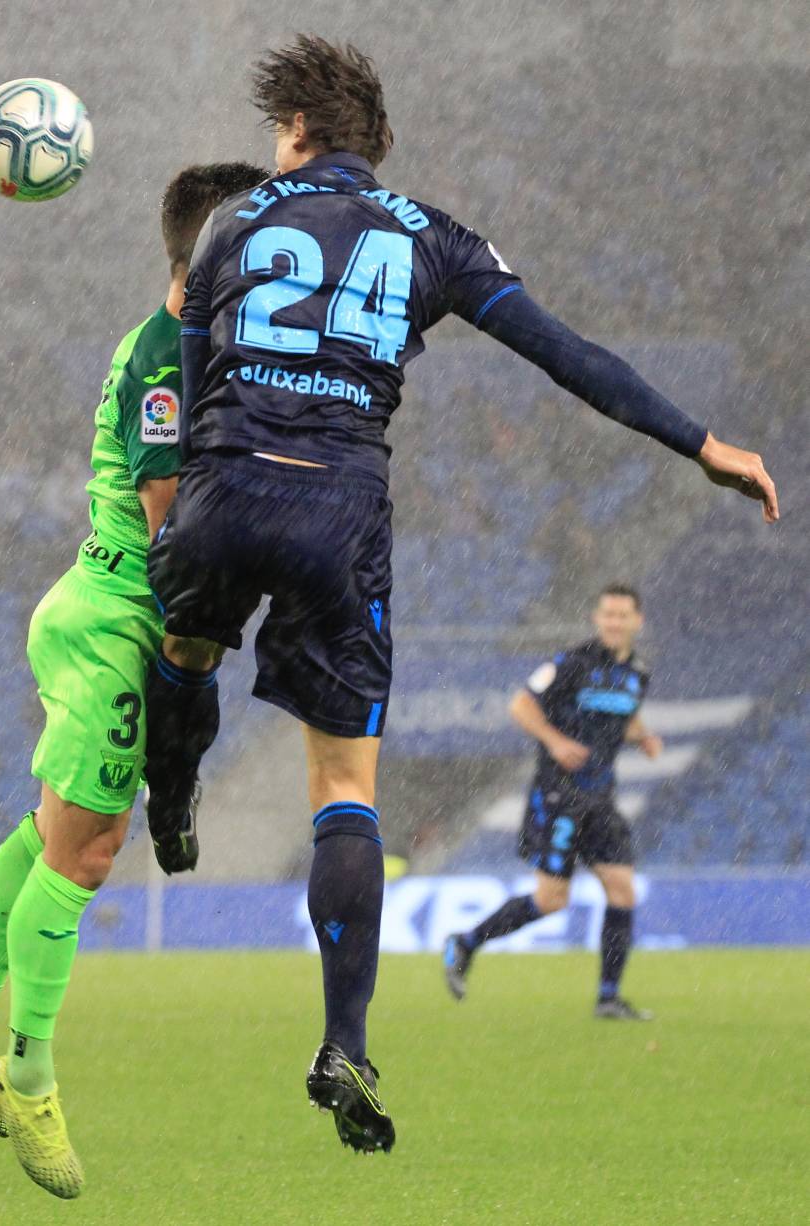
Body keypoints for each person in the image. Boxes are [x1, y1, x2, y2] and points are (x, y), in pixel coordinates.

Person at [142, 35, 778, 1156]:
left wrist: (206, 514)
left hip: (225, 482)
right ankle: (344, 1038)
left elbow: (197, 400)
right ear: (377, 146)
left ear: (291, 131)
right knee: (344, 787)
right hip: (340, 508)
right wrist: (699, 442)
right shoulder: (432, 234)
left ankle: (173, 783)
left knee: (188, 647)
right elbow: (568, 354)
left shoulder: (231, 224)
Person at [0, 162, 267, 1200]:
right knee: (90, 852)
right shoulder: (168, 356)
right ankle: (28, 1073)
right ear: (210, 257)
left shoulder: (188, 346)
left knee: (50, 832)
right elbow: (173, 526)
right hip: (118, 619)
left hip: (95, 604)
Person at [444, 584, 663, 1017]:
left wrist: (644, 737)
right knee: (551, 899)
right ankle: (466, 942)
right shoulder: (572, 663)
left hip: (601, 798)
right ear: (597, 619)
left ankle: (608, 998)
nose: (614, 622)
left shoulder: (638, 672)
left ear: (637, 622)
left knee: (621, 889)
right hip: (560, 795)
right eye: (608, 614)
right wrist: (556, 741)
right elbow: (522, 705)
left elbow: (623, 714)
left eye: (622, 615)